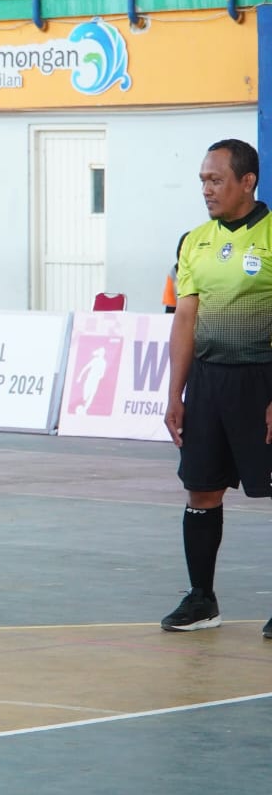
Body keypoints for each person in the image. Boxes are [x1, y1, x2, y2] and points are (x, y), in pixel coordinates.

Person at [160, 138, 272, 639]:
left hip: (261, 379)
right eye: (203, 180)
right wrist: (175, 394)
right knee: (201, 489)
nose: (206, 189)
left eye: (216, 180)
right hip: (208, 384)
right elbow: (185, 318)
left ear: (247, 181)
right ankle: (201, 599)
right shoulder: (193, 241)